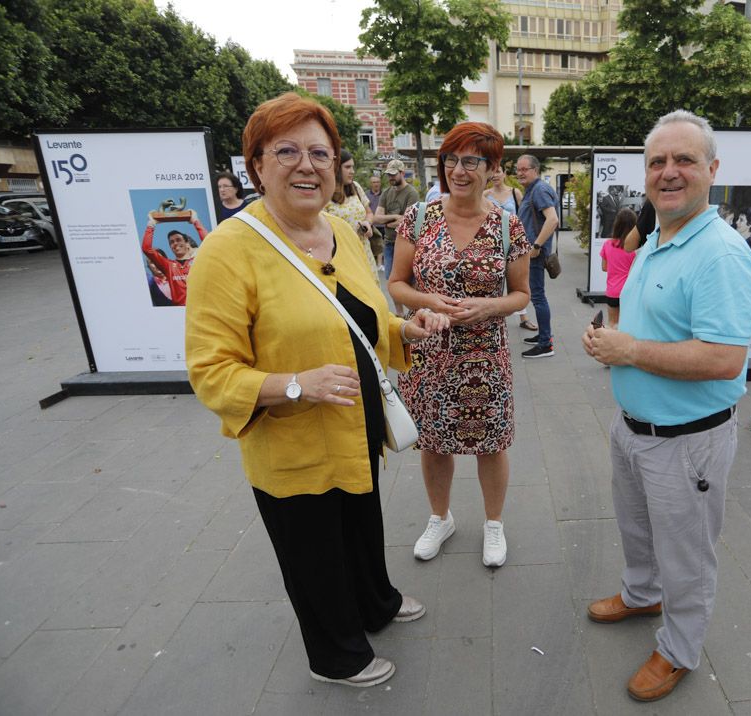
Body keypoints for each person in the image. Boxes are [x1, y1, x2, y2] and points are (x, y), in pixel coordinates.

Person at [185, 92, 450, 689]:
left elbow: (365, 318)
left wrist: (408, 328)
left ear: (336, 166)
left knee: (360, 522)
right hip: (293, 441)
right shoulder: (227, 251)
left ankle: (375, 603)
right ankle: (335, 656)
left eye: (321, 154)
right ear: (256, 165)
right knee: (314, 552)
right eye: (287, 152)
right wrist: (294, 385)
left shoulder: (341, 231)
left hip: (355, 426)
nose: (308, 166)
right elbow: (210, 370)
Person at [582, 110, 751, 702]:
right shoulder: (657, 239)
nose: (669, 172)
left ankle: (680, 648)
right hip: (633, 428)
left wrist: (628, 348)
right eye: (657, 161)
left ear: (712, 170)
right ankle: (640, 596)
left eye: (684, 159)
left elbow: (723, 360)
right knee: (637, 531)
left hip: (688, 441)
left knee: (686, 554)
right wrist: (613, 345)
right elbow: (649, 328)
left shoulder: (721, 254)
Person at [388, 122, 531, 568]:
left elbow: (522, 294)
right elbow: (396, 284)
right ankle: (440, 518)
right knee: (432, 442)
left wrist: (489, 307)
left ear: (492, 169)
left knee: (491, 443)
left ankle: (494, 524)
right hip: (429, 353)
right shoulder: (420, 218)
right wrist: (427, 299)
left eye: (471, 161)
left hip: (485, 357)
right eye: (451, 159)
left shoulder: (508, 226)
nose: (459, 170)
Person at [516, 154, 560, 358]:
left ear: (535, 170)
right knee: (536, 295)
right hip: (531, 253)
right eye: (518, 169)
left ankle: (545, 344)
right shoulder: (532, 190)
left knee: (538, 296)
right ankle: (543, 335)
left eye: (524, 169)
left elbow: (552, 220)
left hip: (535, 254)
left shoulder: (539, 189)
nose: (520, 173)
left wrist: (536, 245)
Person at [485, 166, 536, 331]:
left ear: (504, 174)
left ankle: (523, 318)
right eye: (492, 172)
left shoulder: (515, 193)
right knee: (493, 280)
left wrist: (527, 242)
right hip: (491, 244)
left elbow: (523, 218)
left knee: (518, 283)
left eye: (498, 171)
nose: (495, 175)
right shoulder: (485, 195)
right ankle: (492, 315)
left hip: (513, 242)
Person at [325, 149, 381, 286]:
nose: (352, 171)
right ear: (337, 168)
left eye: (353, 167)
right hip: (342, 254)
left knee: (372, 291)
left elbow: (369, 213)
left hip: (364, 250)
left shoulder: (355, 187)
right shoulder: (325, 192)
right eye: (348, 167)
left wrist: (368, 223)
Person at [374, 159, 419, 314]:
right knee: (391, 282)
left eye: (393, 174)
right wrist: (393, 219)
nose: (391, 178)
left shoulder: (411, 193)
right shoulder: (387, 193)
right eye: (389, 175)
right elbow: (376, 217)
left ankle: (415, 312)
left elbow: (406, 220)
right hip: (389, 243)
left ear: (402, 173)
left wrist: (387, 220)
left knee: (408, 282)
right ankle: (399, 314)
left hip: (406, 243)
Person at [141, 214, 207, 306]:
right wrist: (151, 224)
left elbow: (211, 243)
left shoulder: (198, 261)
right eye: (171, 242)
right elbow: (146, 248)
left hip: (197, 310)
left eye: (178, 240)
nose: (175, 243)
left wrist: (196, 221)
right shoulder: (168, 265)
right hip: (178, 313)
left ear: (187, 243)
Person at [599, 206, 638, 328]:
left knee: (612, 323)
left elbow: (604, 267)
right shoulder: (636, 247)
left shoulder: (608, 244)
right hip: (631, 291)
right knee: (628, 325)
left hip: (613, 291)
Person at [365, 174, 384, 266]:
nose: (376, 184)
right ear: (370, 184)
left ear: (380, 183)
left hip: (383, 224)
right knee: (371, 244)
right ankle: (371, 263)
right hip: (371, 224)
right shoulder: (366, 195)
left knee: (380, 244)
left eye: (377, 182)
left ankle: (380, 265)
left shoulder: (384, 194)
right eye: (374, 182)